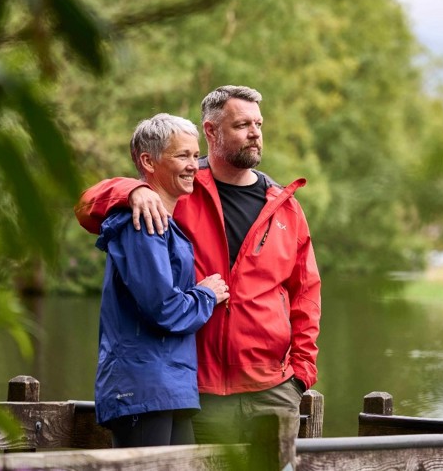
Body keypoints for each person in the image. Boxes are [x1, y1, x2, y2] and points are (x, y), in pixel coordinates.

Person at [76, 85, 321, 444]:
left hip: (273, 390)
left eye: (258, 123)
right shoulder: (179, 190)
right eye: (241, 125)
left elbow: (306, 296)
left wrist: (301, 373)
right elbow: (85, 207)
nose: (254, 133)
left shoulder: (285, 207)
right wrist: (131, 191)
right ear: (211, 131)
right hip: (196, 388)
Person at [93, 113, 230, 447]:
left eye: (194, 156)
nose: (193, 165)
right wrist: (206, 295)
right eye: (181, 155)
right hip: (142, 387)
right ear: (148, 161)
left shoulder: (164, 222)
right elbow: (163, 308)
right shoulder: (143, 223)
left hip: (170, 388)